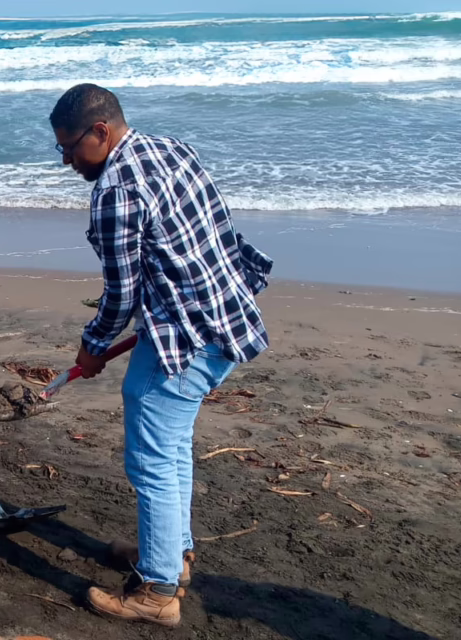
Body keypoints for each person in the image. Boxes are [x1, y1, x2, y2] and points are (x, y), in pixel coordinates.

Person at [50, 84, 274, 627]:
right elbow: (221, 235)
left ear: (101, 132)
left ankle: (156, 592)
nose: (66, 160)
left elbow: (121, 295)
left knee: (151, 456)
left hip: (187, 334)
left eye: (71, 147)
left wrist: (92, 346)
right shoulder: (171, 148)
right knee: (170, 446)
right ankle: (172, 556)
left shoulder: (113, 193)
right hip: (225, 315)